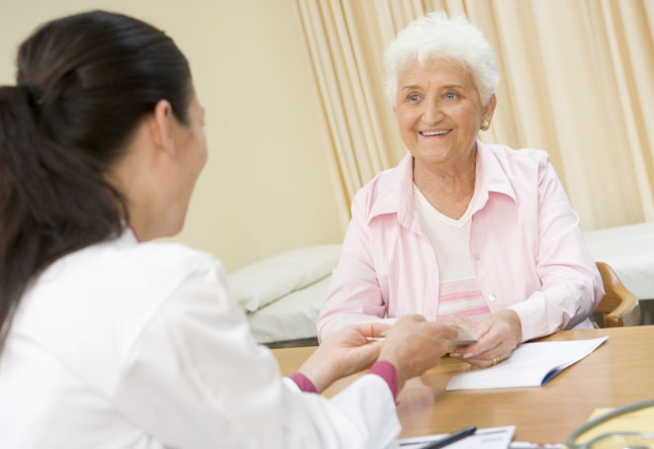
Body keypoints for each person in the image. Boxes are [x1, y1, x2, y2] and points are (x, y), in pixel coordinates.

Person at [0, 11, 458, 449]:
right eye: (200, 121)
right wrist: (394, 365)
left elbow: (230, 428)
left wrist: (319, 368)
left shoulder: (34, 282)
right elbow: (309, 444)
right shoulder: (158, 286)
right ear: (163, 125)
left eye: (451, 95)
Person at [317, 12, 604, 369]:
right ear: (396, 110)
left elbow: (578, 281)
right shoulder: (373, 203)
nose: (431, 115)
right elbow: (337, 322)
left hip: (547, 378)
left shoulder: (532, 174)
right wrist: (421, 335)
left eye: (450, 94)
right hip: (433, 394)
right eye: (413, 97)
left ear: (487, 108)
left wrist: (516, 322)